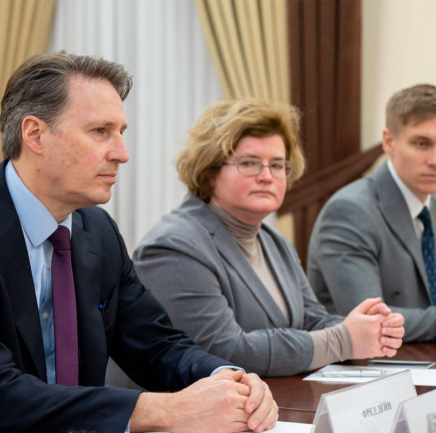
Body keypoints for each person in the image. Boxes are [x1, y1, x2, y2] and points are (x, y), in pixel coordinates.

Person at [0, 53, 278, 433]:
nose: (122, 153)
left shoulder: (96, 229)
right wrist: (166, 410)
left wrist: (228, 379)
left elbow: (156, 344)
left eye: (121, 132)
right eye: (100, 132)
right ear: (35, 134)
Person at [132, 99, 405, 377]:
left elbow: (311, 321)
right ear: (210, 173)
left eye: (277, 165)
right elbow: (225, 352)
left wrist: (369, 329)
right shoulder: (173, 246)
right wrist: (343, 340)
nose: (266, 176)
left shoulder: (275, 242)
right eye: (249, 163)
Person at [308, 84, 436, 342]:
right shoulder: (349, 211)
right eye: (421, 144)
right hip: (365, 365)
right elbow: (372, 322)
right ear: (389, 142)